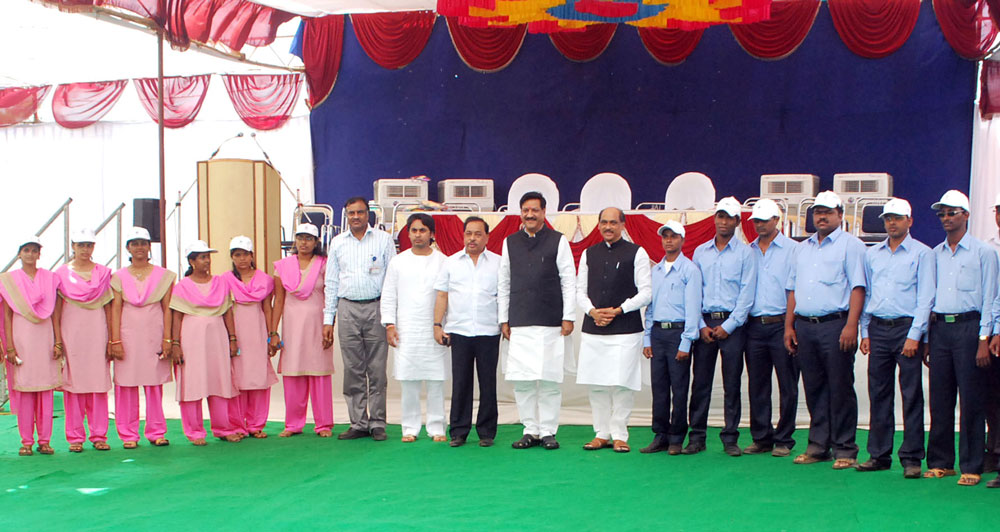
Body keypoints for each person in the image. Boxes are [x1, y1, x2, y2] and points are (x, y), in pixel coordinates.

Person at [784, 190, 866, 470]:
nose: (821, 217)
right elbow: (792, 289)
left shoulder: (851, 246)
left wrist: (852, 325)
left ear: (840, 215)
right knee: (814, 386)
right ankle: (819, 446)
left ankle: (845, 448)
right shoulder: (802, 248)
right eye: (818, 212)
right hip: (805, 325)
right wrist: (789, 326)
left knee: (840, 387)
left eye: (828, 212)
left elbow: (858, 288)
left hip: (836, 325)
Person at [855, 199, 934, 479]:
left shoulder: (922, 254)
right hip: (878, 328)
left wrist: (915, 335)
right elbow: (868, 294)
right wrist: (865, 331)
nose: (891, 223)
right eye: (888, 218)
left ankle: (912, 457)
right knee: (879, 392)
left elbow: (926, 298)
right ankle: (879, 454)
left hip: (906, 328)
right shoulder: (872, 254)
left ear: (909, 221)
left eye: (897, 218)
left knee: (911, 394)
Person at [925, 190, 997, 486]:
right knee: (940, 397)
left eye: (951, 212)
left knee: (971, 399)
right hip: (940, 328)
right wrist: (926, 337)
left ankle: (971, 464)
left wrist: (984, 338)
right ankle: (941, 462)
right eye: (941, 213)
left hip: (970, 327)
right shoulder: (935, 254)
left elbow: (991, 297)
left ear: (966, 215)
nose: (946, 218)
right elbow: (928, 297)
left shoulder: (984, 252)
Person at [499, 191, 576, 450]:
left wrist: (568, 316)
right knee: (523, 381)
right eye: (526, 210)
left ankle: (548, 431)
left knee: (549, 380)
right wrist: (503, 319)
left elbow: (568, 280)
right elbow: (504, 282)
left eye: (535, 210)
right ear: (520, 213)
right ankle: (530, 429)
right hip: (519, 321)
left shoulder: (558, 240)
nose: (530, 215)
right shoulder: (510, 242)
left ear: (544, 212)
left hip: (551, 322)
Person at [576, 207, 651, 453]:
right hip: (594, 327)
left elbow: (646, 292)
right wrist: (592, 312)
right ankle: (601, 434)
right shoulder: (588, 253)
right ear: (598, 225)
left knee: (622, 384)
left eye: (613, 223)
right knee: (596, 383)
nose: (608, 227)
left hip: (626, 329)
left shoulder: (637, 252)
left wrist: (619, 310)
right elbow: (579, 291)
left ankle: (619, 434)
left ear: (622, 225)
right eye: (604, 222)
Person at [688, 197, 757, 456]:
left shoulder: (745, 253)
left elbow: (746, 295)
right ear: (714, 218)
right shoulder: (700, 252)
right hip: (705, 323)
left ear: (737, 221)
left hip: (733, 326)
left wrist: (729, 325)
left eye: (729, 217)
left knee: (732, 383)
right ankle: (697, 437)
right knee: (700, 383)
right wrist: (700, 324)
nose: (723, 222)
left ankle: (730, 438)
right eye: (720, 216)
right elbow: (693, 292)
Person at [323, 197, 395, 441]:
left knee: (377, 370)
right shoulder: (337, 243)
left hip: (376, 307)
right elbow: (331, 282)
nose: (356, 217)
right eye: (351, 213)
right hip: (347, 308)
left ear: (368, 214)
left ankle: (378, 423)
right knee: (353, 369)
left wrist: (390, 315)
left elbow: (392, 280)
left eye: (360, 212)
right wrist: (328, 319)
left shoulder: (383, 240)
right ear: (346, 215)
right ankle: (358, 423)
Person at [433, 216, 500, 448]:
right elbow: (442, 295)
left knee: (488, 383)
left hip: (489, 330)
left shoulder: (499, 263)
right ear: (463, 236)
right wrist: (437, 325)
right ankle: (459, 431)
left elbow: (505, 296)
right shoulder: (451, 262)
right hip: (459, 330)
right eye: (469, 233)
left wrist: (505, 323)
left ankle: (487, 432)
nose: (473, 238)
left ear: (487, 237)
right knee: (461, 382)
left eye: (478, 234)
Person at [382, 213, 448, 442]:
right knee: (408, 380)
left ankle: (437, 427)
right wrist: (390, 324)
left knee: (436, 380)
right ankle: (409, 428)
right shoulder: (398, 262)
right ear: (408, 233)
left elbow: (448, 296)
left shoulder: (443, 261)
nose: (418, 235)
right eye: (414, 230)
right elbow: (389, 295)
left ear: (432, 234)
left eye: (423, 230)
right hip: (406, 328)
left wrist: (445, 326)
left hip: (434, 329)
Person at [169, 241, 242, 445]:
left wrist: (232, 338)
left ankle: (223, 428)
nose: (207, 261)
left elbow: (227, 312)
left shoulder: (220, 283)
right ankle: (194, 432)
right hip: (191, 338)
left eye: (208, 257)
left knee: (219, 380)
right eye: (202, 257)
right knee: (192, 382)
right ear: (192, 261)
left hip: (216, 337)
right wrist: (175, 343)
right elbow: (176, 317)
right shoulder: (182, 286)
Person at [109, 226, 175, 449]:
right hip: (127, 335)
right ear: (128, 248)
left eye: (143, 243)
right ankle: (128, 434)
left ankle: (156, 432)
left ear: (149, 247)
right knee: (126, 385)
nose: (139, 247)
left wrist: (168, 338)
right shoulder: (118, 277)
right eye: (135, 243)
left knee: (153, 384)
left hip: (154, 333)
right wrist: (115, 340)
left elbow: (168, 309)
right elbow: (115, 309)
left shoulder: (164, 276)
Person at [743, 199, 799, 457]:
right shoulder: (748, 251)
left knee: (787, 384)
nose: (760, 225)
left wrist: (790, 326)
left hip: (781, 324)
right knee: (757, 384)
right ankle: (761, 437)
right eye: (756, 220)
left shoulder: (793, 250)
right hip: (754, 326)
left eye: (765, 220)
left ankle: (784, 438)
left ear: (777, 220)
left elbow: (794, 289)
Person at [641, 221, 701, 455]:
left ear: (682, 240)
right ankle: (661, 435)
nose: (668, 240)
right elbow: (650, 307)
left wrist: (686, 341)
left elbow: (693, 309)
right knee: (659, 387)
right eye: (665, 236)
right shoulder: (655, 271)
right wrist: (647, 338)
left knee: (679, 387)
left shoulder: (690, 270)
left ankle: (677, 437)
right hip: (658, 332)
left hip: (678, 333)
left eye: (673, 236)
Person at [272, 224, 335, 438]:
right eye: (300, 238)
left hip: (318, 325)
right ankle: (293, 424)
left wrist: (330, 324)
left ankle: (323, 424)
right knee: (293, 374)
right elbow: (278, 301)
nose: (304, 242)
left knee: (319, 374)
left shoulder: (324, 264)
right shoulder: (283, 266)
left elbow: (330, 296)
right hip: (292, 328)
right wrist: (273, 331)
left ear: (316, 242)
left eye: (309, 238)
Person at [1, 236, 62, 456]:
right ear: (19, 254)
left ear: (39, 254)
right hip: (22, 339)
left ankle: (45, 441)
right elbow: (7, 316)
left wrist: (58, 341)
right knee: (25, 391)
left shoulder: (50, 278)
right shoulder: (9, 281)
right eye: (26, 250)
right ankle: (26, 441)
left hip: (45, 338)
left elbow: (55, 313)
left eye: (34, 250)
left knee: (45, 391)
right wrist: (9, 346)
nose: (30, 254)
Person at [55, 228, 114, 452]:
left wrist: (112, 338)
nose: (85, 249)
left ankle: (99, 435)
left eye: (89, 245)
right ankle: (75, 437)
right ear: (73, 246)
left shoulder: (103, 273)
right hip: (71, 331)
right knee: (74, 384)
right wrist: (58, 338)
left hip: (97, 330)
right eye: (81, 245)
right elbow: (56, 309)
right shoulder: (61, 274)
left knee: (97, 383)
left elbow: (109, 307)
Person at [224, 236, 278, 439]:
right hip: (235, 331)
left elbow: (267, 308)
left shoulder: (265, 280)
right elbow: (224, 309)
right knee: (237, 377)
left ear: (252, 255)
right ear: (232, 257)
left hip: (257, 330)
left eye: (245, 254)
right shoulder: (225, 280)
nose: (242, 259)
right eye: (237, 255)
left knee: (258, 376)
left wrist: (272, 334)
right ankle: (237, 424)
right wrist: (230, 336)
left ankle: (256, 424)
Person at [984, 193, 1000, 477]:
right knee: (993, 395)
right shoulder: (987, 248)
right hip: (994, 331)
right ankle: (995, 452)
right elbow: (991, 295)